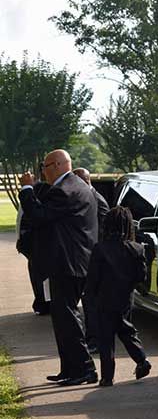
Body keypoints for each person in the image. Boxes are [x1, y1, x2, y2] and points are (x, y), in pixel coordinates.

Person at [19, 149, 98, 386]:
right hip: (71, 261)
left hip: (68, 262)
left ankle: (84, 368)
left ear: (55, 165)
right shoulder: (75, 185)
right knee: (62, 318)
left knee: (67, 317)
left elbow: (37, 215)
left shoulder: (66, 190)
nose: (42, 171)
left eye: (44, 166)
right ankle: (70, 368)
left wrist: (27, 189)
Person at [86, 206, 151, 387]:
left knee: (105, 339)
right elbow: (141, 276)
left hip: (104, 298)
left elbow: (93, 278)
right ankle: (141, 360)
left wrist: (90, 295)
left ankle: (107, 376)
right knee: (126, 329)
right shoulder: (136, 249)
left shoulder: (100, 249)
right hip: (125, 298)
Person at [73, 167, 109, 352]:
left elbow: (103, 232)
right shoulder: (89, 197)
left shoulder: (96, 200)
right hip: (89, 257)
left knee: (92, 302)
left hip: (95, 259)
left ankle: (94, 340)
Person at [16, 178, 51, 315]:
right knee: (40, 277)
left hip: (35, 245)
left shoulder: (37, 192)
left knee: (40, 277)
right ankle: (43, 303)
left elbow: (22, 220)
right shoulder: (41, 192)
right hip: (35, 245)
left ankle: (43, 303)